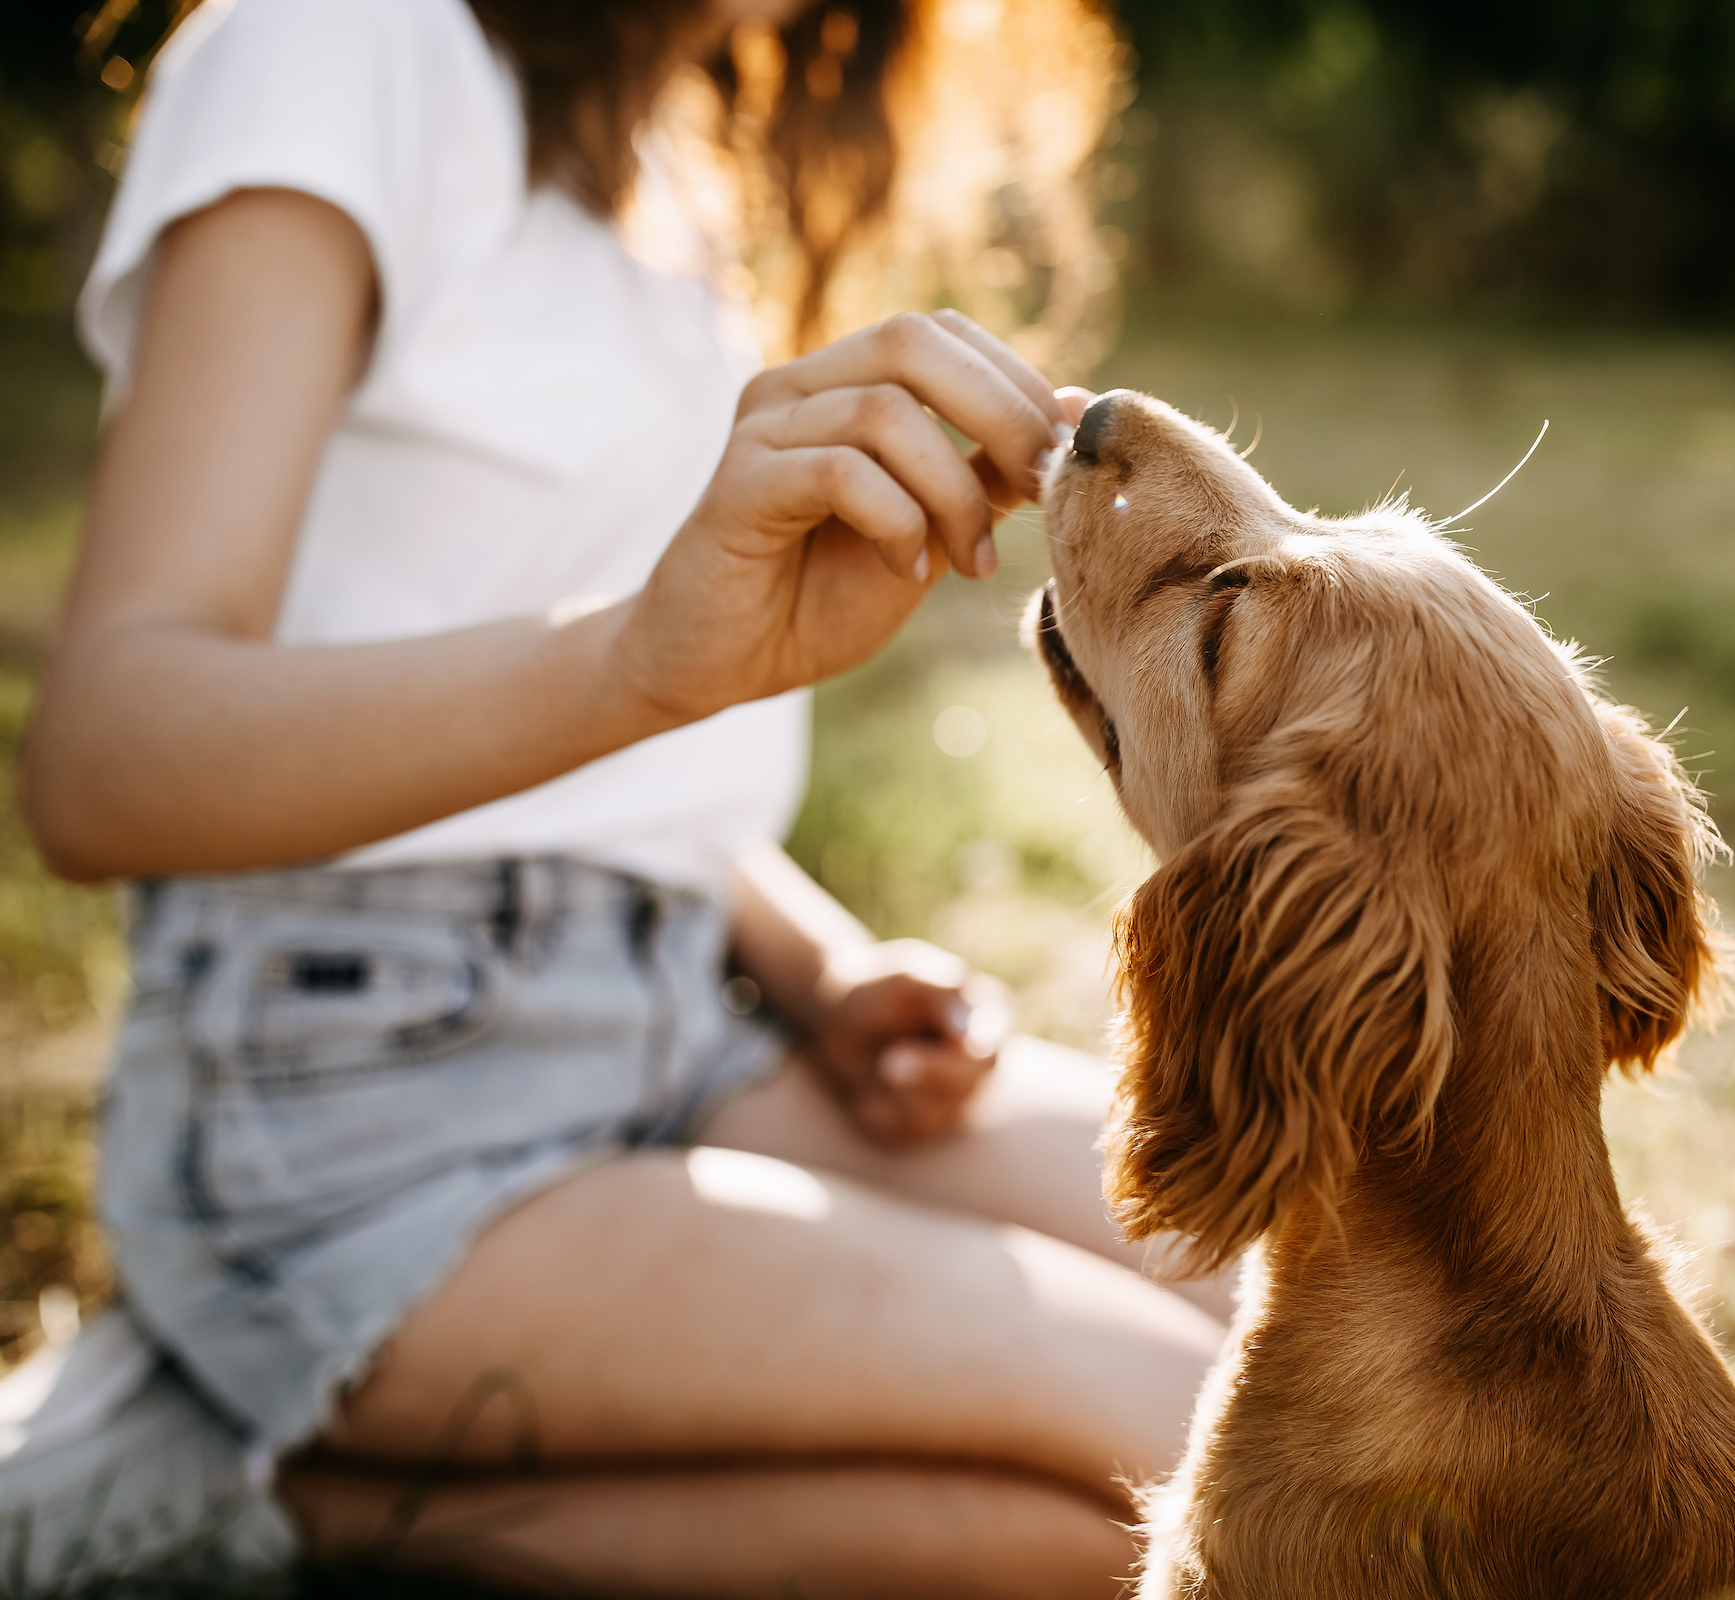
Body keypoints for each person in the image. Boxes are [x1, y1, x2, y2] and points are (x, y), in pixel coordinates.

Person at [0, 0, 1225, 1594]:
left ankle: (272, 1472)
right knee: (1184, 1463)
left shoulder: (674, 152)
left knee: (1323, 1304)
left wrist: (817, 965)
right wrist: (645, 657)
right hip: (349, 1104)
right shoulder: (333, 45)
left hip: (680, 1028)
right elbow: (104, 763)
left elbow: (558, 753)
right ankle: (227, 1493)